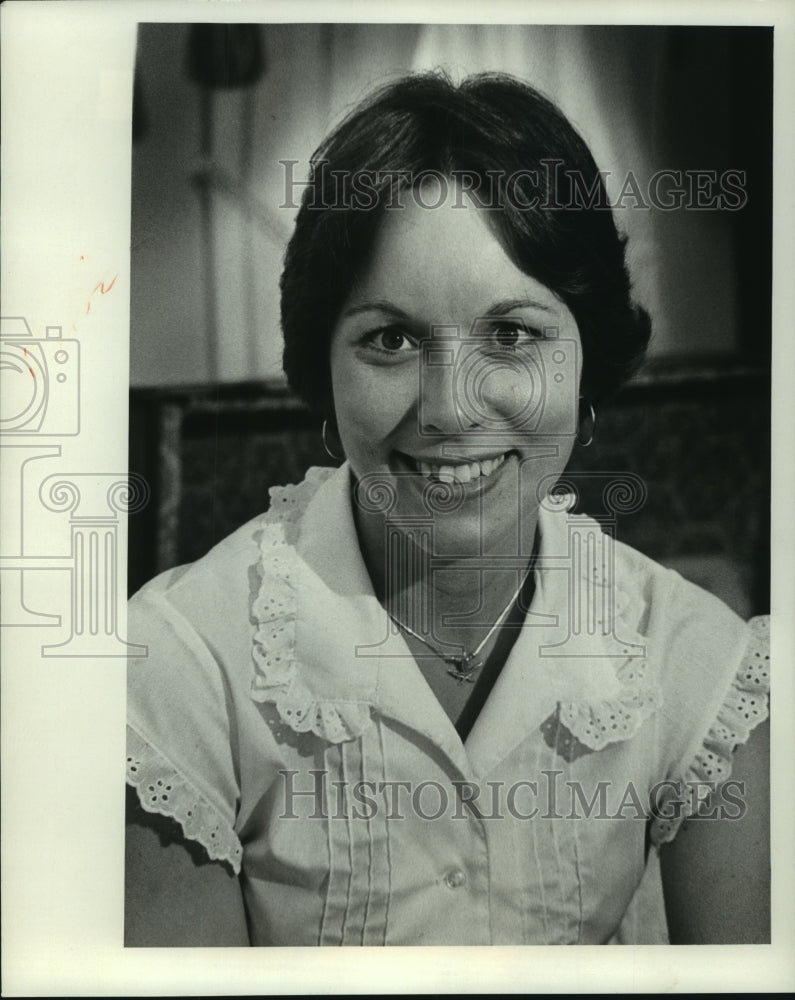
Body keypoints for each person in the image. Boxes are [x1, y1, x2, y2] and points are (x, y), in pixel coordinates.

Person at [125, 72, 770, 946]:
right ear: (323, 366)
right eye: (390, 340)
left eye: (510, 334)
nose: (449, 410)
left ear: (587, 361)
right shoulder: (177, 666)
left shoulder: (695, 660)